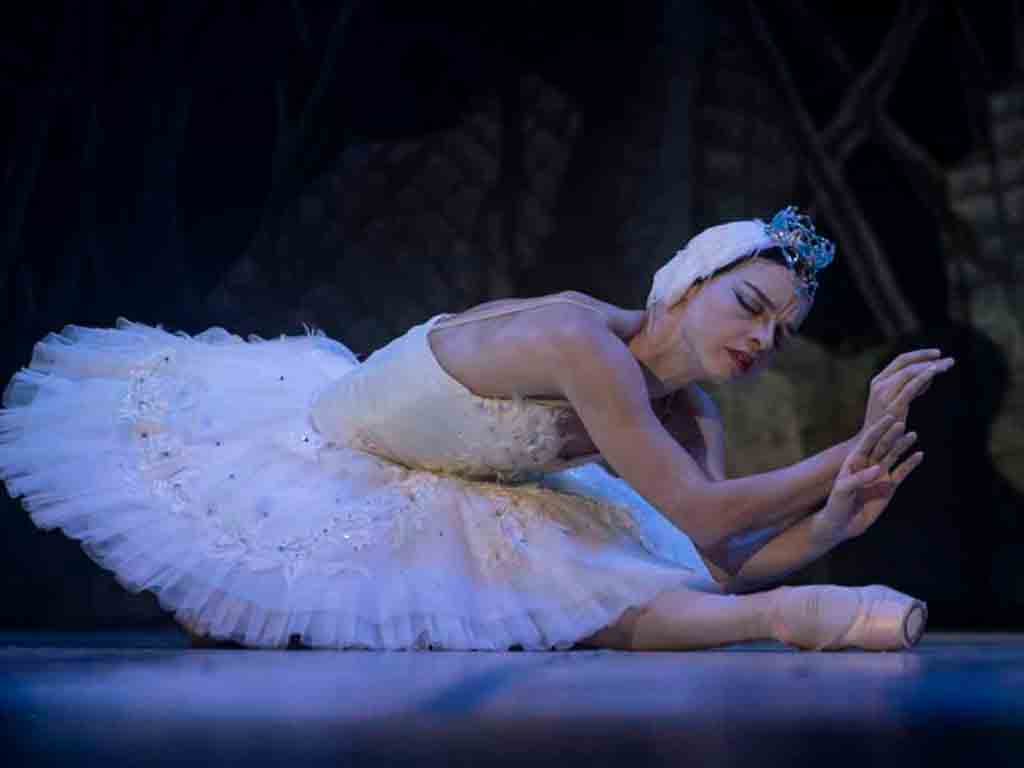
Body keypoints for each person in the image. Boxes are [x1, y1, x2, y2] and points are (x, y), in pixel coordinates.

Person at [0, 206, 953, 652]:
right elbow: (702, 509)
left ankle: (794, 614)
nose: (761, 338)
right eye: (750, 305)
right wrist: (851, 443)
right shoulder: (582, 343)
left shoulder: (685, 409)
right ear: (686, 284)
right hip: (335, 449)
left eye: (781, 333)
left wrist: (829, 522)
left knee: (616, 577)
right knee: (233, 615)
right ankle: (793, 621)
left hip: (461, 479)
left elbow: (709, 553)